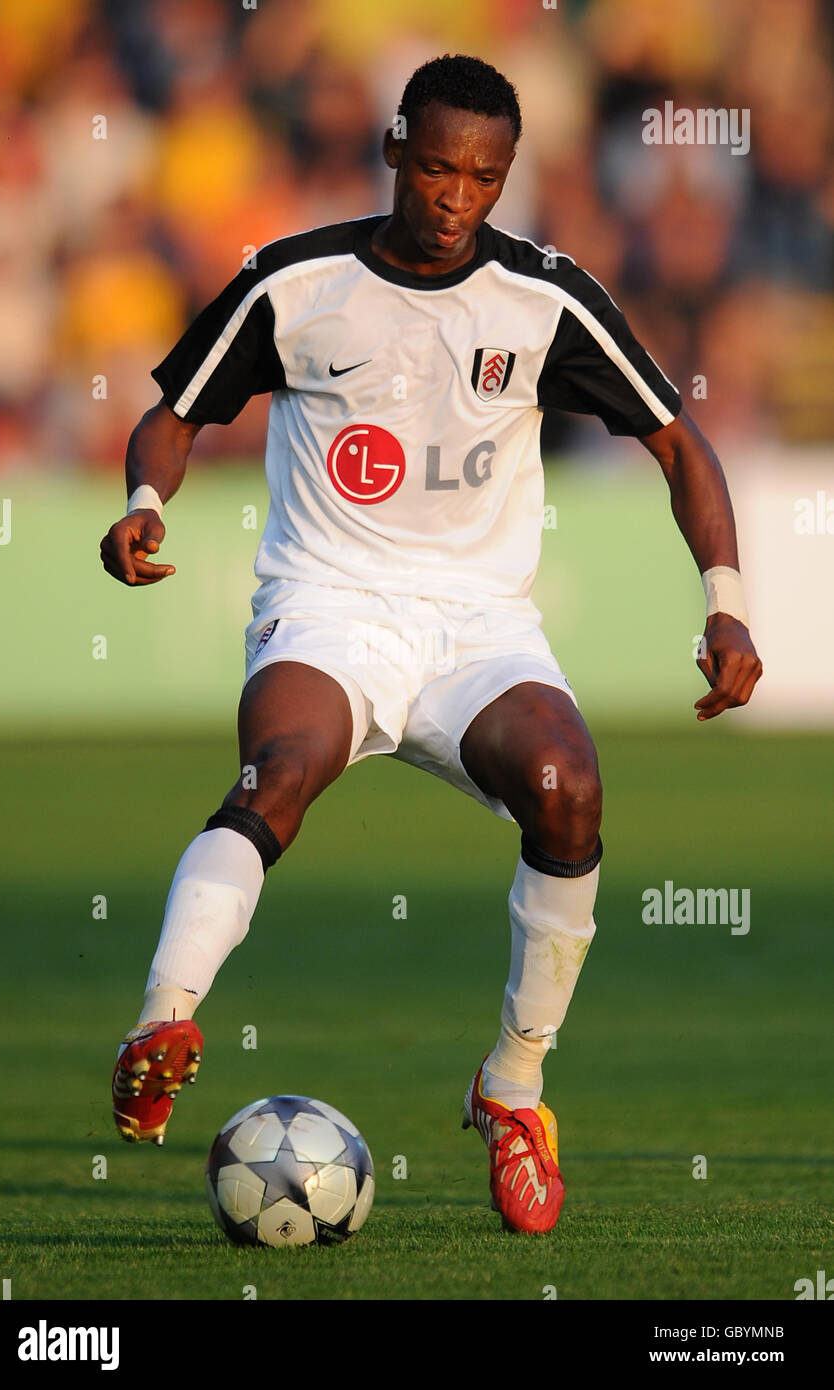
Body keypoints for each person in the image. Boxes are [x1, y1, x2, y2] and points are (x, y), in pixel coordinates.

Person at [101, 54, 762, 1234]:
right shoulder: (295, 282)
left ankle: (512, 1088)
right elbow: (176, 411)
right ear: (397, 149)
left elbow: (673, 440)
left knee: (569, 789)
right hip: (325, 603)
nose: (458, 197)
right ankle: (161, 1020)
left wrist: (722, 600)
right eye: (441, 167)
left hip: (478, 625)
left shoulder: (542, 298)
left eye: (485, 178)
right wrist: (148, 504)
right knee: (278, 775)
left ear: (505, 176)